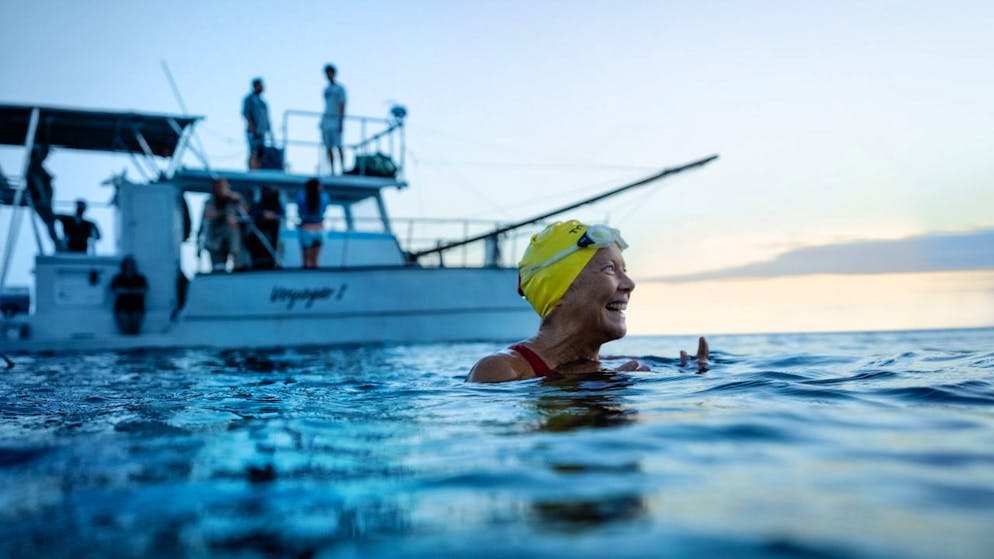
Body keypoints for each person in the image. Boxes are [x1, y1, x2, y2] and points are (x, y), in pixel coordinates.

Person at [468, 220, 709, 382]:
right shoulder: (501, 370)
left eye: (625, 270)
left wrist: (692, 373)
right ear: (559, 290)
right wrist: (594, 390)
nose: (629, 284)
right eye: (609, 269)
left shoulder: (611, 363)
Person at [200, 178, 247, 271]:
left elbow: (247, 213)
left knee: (234, 234)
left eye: (225, 187)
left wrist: (239, 200)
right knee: (217, 268)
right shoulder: (210, 201)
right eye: (220, 187)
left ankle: (236, 266)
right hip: (215, 240)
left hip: (233, 240)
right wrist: (225, 215)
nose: (223, 190)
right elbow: (208, 214)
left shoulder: (233, 200)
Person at [25, 143, 63, 250]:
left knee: (50, 223)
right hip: (42, 201)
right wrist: (43, 198)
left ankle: (57, 243)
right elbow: (37, 183)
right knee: (50, 222)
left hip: (44, 201)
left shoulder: (36, 166)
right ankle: (57, 244)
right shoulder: (34, 167)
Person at [245, 186, 284, 269]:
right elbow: (251, 212)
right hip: (258, 233)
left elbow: (281, 213)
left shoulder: (277, 205)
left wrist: (273, 215)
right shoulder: (258, 205)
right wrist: (263, 213)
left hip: (273, 234)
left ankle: (272, 264)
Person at [110, 256, 148, 335]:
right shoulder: (118, 278)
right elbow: (115, 290)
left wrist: (125, 291)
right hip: (122, 306)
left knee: (135, 331)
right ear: (124, 265)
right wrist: (133, 291)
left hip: (137, 306)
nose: (131, 266)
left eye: (132, 264)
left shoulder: (140, 278)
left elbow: (143, 290)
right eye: (129, 264)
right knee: (126, 331)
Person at [296, 178, 329, 269]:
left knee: (306, 259)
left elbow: (300, 211)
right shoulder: (324, 197)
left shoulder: (302, 195)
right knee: (316, 259)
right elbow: (324, 210)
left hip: (306, 228)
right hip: (320, 228)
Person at [320, 64, 347, 175]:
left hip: (336, 120)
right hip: (326, 120)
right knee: (328, 146)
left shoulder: (340, 89)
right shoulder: (326, 90)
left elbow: (342, 104)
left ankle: (342, 169)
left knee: (338, 145)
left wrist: (341, 121)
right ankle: (332, 170)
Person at [242, 77, 272, 170]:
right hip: (253, 131)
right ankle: (252, 169)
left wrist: (269, 131)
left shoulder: (263, 103)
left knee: (261, 152)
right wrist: (251, 125)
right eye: (260, 86)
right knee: (253, 151)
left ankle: (258, 169)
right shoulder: (249, 99)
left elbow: (266, 118)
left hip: (262, 132)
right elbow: (246, 113)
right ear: (255, 86)